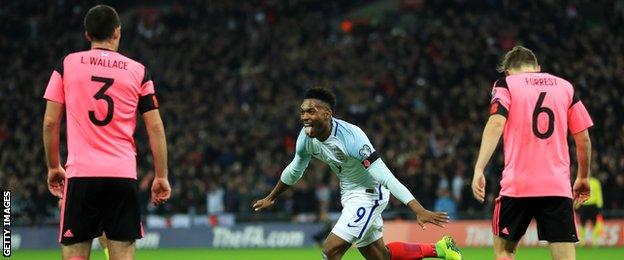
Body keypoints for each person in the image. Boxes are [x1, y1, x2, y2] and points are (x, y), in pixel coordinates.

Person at [253, 87, 462, 260]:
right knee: (381, 256)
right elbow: (294, 170)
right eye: (302, 112)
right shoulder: (306, 137)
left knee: (330, 250)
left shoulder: (352, 138)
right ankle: (440, 249)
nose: (305, 117)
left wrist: (418, 209)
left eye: (311, 112)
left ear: (327, 114)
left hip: (370, 194)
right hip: (350, 194)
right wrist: (271, 197)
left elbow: (385, 177)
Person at [42, 5, 171, 260]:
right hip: (122, 175)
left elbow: (50, 123)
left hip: (81, 175)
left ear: (87, 35)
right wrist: (161, 175)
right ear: (117, 32)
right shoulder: (138, 71)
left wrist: (53, 166)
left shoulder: (66, 65)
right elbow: (155, 126)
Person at [471, 46, 593, 260]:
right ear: (537, 68)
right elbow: (583, 138)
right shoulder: (565, 87)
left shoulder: (505, 84)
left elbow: (496, 123)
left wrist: (479, 168)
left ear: (507, 70)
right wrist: (583, 177)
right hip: (557, 187)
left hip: (517, 187)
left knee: (504, 251)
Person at [576, 176, 604, 246]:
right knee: (582, 223)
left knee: (594, 223)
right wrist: (577, 204)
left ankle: (595, 241)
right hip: (583, 205)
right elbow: (577, 193)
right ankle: (582, 241)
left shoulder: (595, 182)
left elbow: (598, 193)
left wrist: (600, 204)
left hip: (593, 205)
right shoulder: (580, 182)